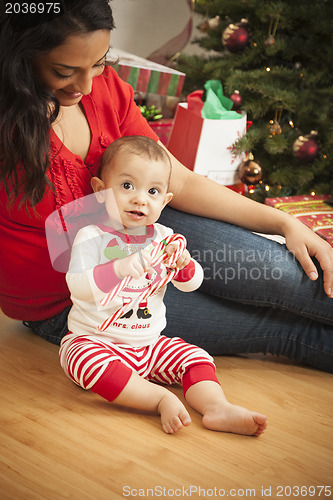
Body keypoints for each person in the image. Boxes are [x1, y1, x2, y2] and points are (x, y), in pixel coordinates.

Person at [0, 0, 332, 376]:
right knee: (280, 329)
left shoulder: (105, 89)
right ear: (19, 54)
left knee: (286, 273)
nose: (87, 85)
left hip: (147, 227)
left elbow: (181, 180)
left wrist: (285, 223)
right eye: (65, 71)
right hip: (76, 303)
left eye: (98, 63)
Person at [59, 135, 268, 435]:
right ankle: (158, 398)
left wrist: (183, 266)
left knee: (196, 357)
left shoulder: (164, 238)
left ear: (165, 201)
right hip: (97, 341)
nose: (140, 198)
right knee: (79, 360)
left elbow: (192, 283)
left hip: (149, 344)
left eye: (153, 191)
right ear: (100, 191)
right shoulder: (91, 236)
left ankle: (216, 407)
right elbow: (77, 286)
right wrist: (118, 268)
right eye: (127, 186)